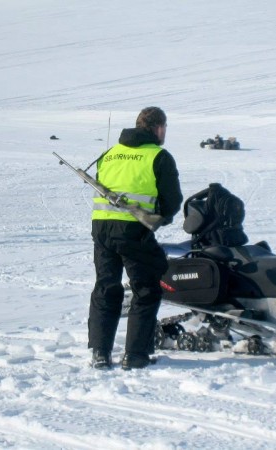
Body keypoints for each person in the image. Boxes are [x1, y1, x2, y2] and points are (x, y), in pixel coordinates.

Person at [89, 106, 182, 370]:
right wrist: (159, 218)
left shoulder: (108, 154)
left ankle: (100, 353)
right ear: (158, 128)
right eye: (164, 127)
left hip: (102, 230)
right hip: (133, 231)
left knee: (106, 288)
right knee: (146, 288)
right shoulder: (158, 156)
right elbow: (172, 200)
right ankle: (135, 355)